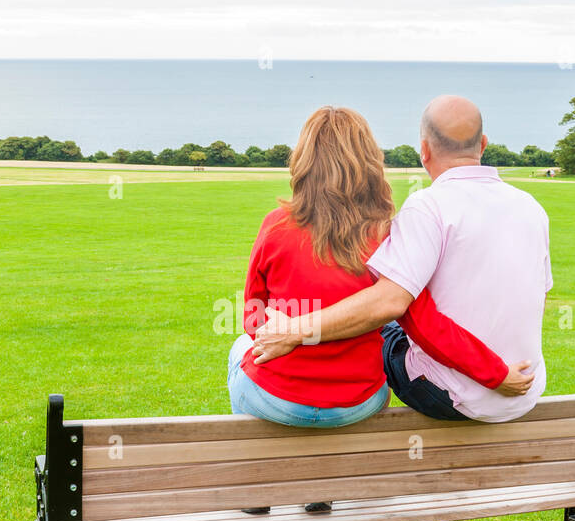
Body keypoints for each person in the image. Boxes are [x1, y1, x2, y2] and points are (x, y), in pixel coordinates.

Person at [252, 94, 551, 423]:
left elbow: (395, 305)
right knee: (397, 312)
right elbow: (532, 295)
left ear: (424, 150)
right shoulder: (531, 207)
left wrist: (293, 331)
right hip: (524, 390)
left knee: (393, 315)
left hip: (448, 394)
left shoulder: (427, 206)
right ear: (482, 144)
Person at [228, 106, 393, 433]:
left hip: (276, 399)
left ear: (304, 161)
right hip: (360, 400)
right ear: (369, 163)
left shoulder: (276, 225)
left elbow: (253, 320)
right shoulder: (386, 233)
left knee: (238, 348)